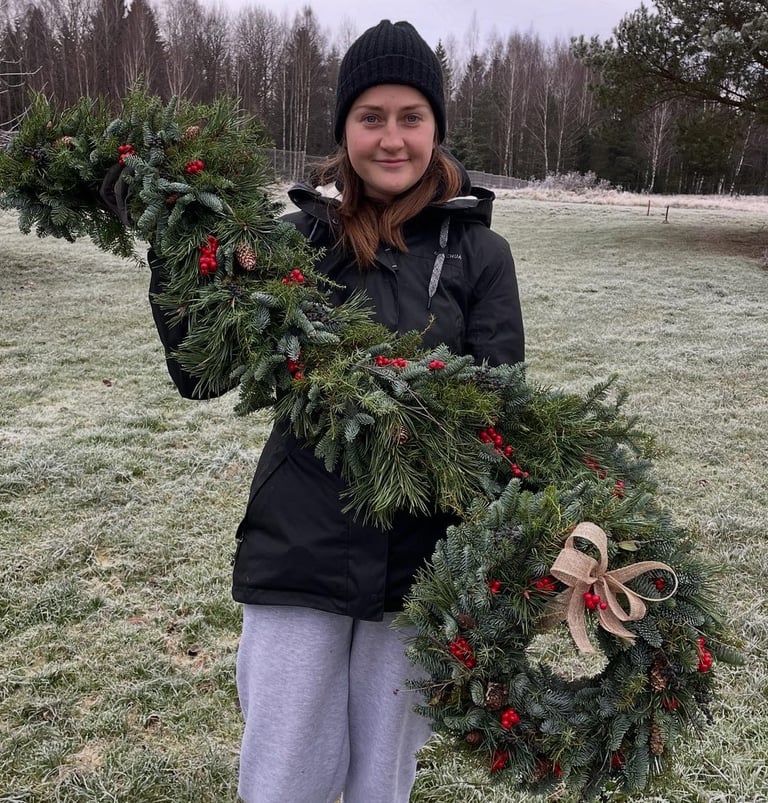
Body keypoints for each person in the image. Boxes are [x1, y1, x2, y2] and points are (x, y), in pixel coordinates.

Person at [128, 19, 524, 803]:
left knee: (383, 781)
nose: (391, 138)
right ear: (344, 130)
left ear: (436, 128)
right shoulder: (293, 243)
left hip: (420, 566)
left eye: (410, 117)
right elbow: (201, 369)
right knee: (283, 778)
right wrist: (172, 243)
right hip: (297, 553)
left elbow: (499, 411)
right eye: (370, 117)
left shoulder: (482, 255)